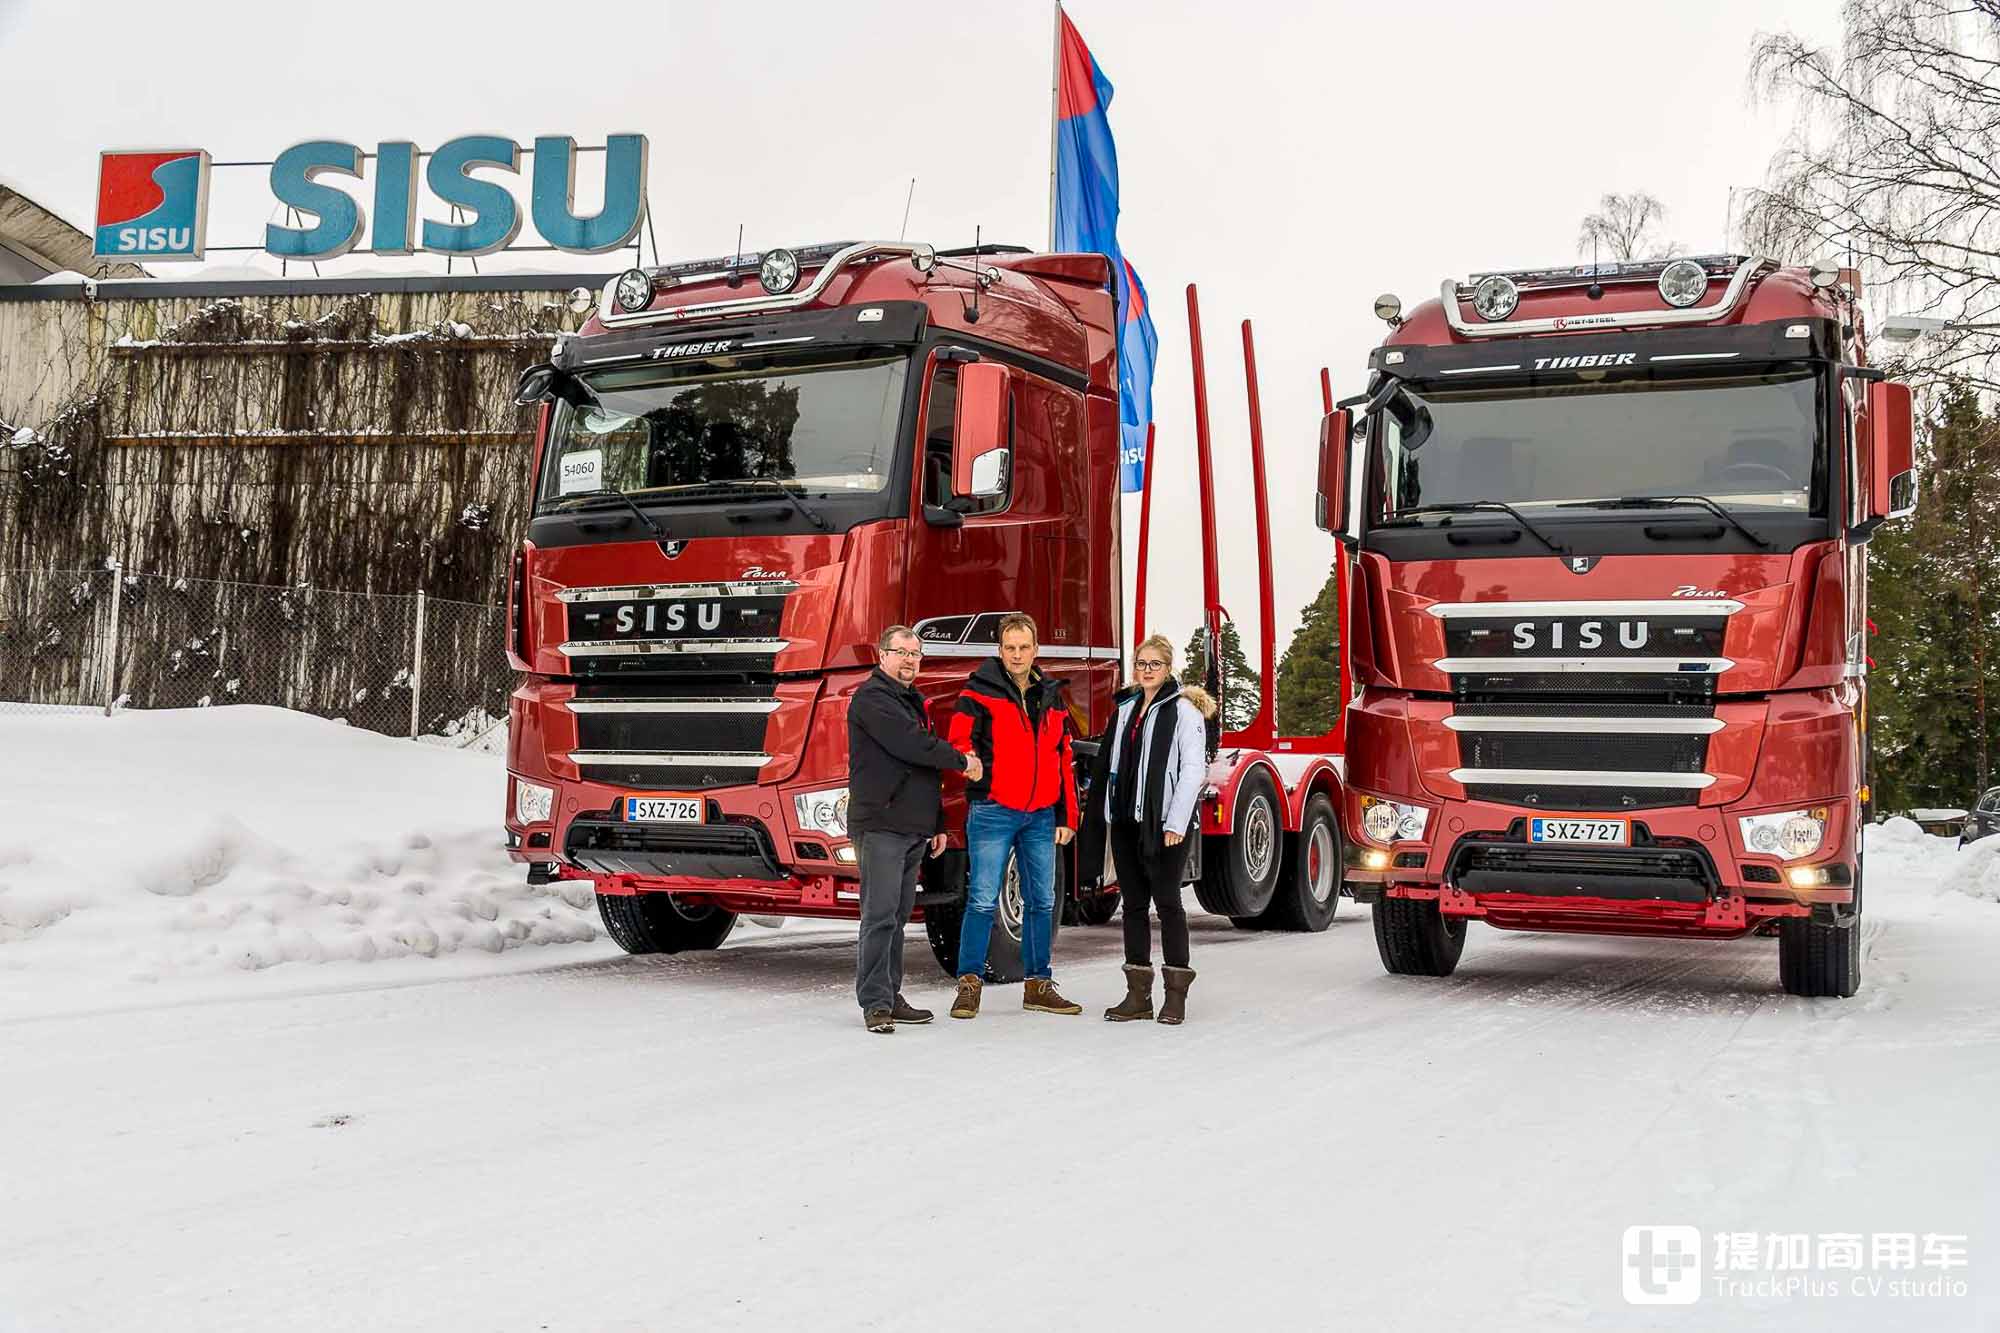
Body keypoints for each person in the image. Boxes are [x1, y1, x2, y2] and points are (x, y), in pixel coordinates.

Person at [945, 613, 1083, 1018]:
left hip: (1041, 815)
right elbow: (958, 740)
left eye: (1024, 647)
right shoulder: (979, 692)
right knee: (983, 901)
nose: (1017, 655)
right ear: (1000, 650)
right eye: (1010, 648)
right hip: (993, 810)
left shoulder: (1052, 695)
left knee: (1041, 901)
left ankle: (1038, 984)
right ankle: (968, 985)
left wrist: (1067, 817)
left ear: (1035, 649)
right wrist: (968, 762)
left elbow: (1064, 758)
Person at [848, 624, 982, 1035]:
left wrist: (937, 822)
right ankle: (875, 1004)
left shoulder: (912, 701)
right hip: (882, 824)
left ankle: (891, 994)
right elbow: (911, 745)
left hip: (912, 827)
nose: (909, 660)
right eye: (901, 652)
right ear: (883, 655)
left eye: (915, 654)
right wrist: (963, 761)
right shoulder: (872, 699)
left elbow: (921, 769)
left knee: (899, 917)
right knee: (879, 915)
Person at [1077, 634, 1216, 1025]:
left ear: (1168, 668)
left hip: (1164, 824)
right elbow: (1112, 762)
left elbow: (1192, 769)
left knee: (1168, 903)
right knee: (1134, 905)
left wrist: (1175, 821)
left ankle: (1176, 995)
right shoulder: (1126, 708)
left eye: (1154, 663)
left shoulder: (1185, 712)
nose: (1146, 670)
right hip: (1125, 820)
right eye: (1141, 663)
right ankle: (1137, 995)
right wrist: (1106, 811)